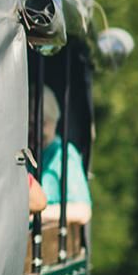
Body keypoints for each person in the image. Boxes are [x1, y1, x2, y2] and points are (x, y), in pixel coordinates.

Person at [39, 89, 91, 225]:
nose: (34, 130)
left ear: (53, 121)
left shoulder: (63, 155)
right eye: (29, 124)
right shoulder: (25, 154)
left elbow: (82, 211)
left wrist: (36, 213)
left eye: (41, 124)